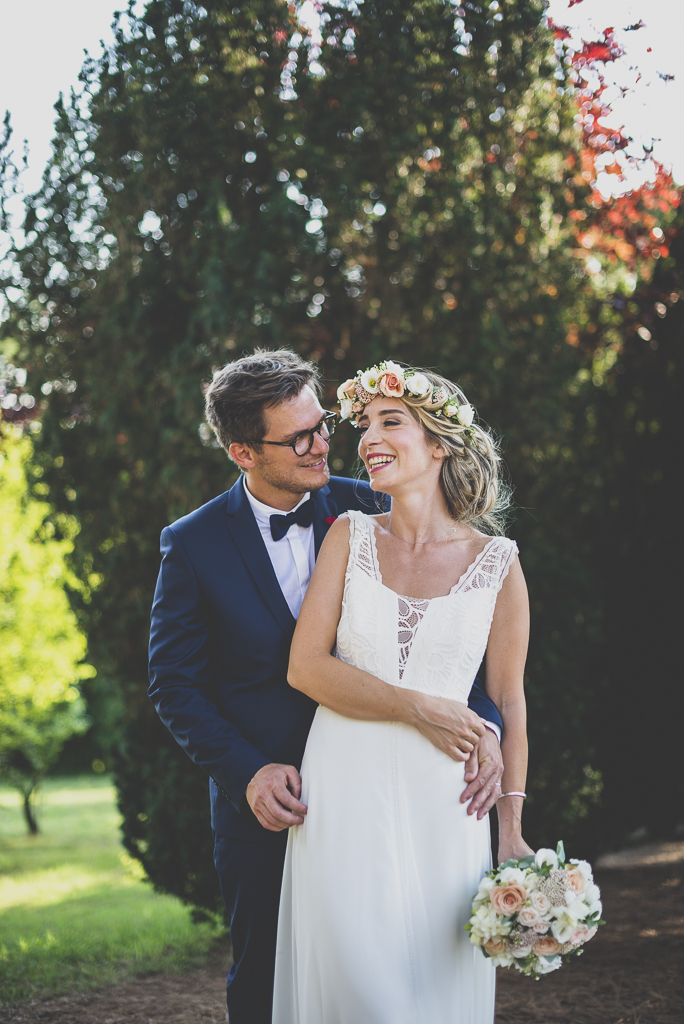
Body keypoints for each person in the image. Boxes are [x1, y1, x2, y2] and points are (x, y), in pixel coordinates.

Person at [148, 350, 505, 1024]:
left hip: (393, 794)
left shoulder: (375, 503)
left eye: (323, 427)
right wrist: (248, 773)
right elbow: (174, 685)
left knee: (406, 975)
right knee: (266, 983)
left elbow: (456, 638)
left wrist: (485, 724)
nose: (322, 447)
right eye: (299, 438)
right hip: (277, 804)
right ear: (243, 452)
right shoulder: (192, 545)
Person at [273, 361, 533, 1024]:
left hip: (447, 806)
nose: (367, 438)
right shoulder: (348, 537)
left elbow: (509, 706)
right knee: (364, 990)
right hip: (342, 792)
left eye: (391, 422)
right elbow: (306, 668)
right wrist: (417, 706)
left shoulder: (498, 564)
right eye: (364, 425)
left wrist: (512, 830)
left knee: (434, 993)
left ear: (439, 444)